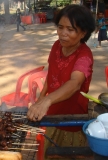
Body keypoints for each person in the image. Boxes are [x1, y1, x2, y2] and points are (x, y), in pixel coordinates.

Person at [27, 5, 95, 159]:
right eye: (60, 27)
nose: (63, 34)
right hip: (53, 114)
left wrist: (47, 100)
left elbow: (75, 83)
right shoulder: (57, 46)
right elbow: (51, 75)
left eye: (70, 30)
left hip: (72, 119)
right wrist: (41, 98)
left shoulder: (84, 56)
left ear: (83, 33)